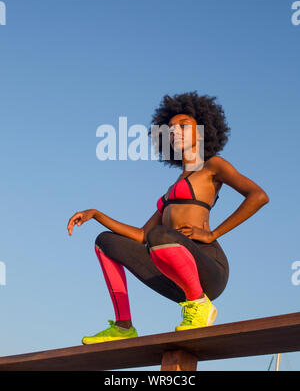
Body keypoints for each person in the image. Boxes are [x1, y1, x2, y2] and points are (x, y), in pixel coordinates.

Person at [67, 91, 269, 344]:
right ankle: (123, 326)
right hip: (174, 274)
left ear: (202, 132)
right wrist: (97, 214)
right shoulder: (169, 192)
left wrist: (213, 233)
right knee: (106, 241)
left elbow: (258, 196)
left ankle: (201, 306)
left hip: (208, 265)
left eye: (184, 126)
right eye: (170, 129)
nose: (175, 133)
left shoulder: (213, 166)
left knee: (159, 236)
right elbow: (141, 235)